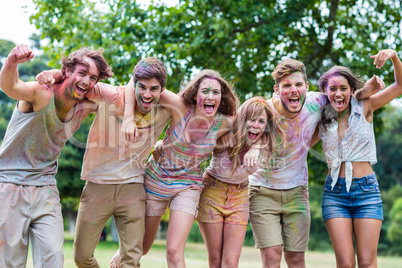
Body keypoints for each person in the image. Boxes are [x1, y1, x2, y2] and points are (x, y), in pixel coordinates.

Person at [36, 57, 172, 268]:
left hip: (133, 188)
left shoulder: (165, 109)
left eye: (154, 89)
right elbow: (77, 82)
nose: (147, 94)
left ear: (162, 90)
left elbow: (195, 104)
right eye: (142, 87)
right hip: (97, 186)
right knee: (82, 257)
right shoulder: (112, 96)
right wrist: (52, 74)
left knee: (131, 260)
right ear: (133, 85)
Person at [247, 59, 383, 268]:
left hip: (296, 191)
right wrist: (254, 147)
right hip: (263, 189)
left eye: (298, 84)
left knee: (296, 259)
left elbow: (345, 99)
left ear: (307, 87)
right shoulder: (264, 110)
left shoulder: (318, 103)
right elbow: (244, 134)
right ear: (276, 90)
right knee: (272, 257)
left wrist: (365, 90)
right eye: (287, 86)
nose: (294, 90)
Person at [110, 69, 239, 268]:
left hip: (188, 186)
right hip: (156, 182)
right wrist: (128, 117)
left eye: (216, 92)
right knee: (143, 247)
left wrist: (248, 144)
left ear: (221, 98)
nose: (210, 96)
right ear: (196, 95)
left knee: (174, 251)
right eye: (205, 91)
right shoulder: (179, 106)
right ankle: (121, 255)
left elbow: (257, 114)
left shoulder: (224, 123)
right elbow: (136, 79)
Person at [0, 44, 113, 267]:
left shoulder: (85, 105)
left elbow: (120, 95)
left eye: (93, 78)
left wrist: (60, 73)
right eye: (82, 73)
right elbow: (10, 86)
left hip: (45, 188)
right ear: (67, 71)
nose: (87, 82)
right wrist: (11, 61)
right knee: (10, 262)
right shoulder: (41, 93)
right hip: (9, 185)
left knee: (53, 258)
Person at [318, 49, 402, 268]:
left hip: (366, 192)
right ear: (325, 92)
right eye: (333, 88)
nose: (338, 93)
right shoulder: (319, 116)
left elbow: (400, 86)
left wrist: (393, 56)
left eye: (343, 89)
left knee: (366, 262)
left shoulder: (366, 106)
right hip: (334, 194)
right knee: (345, 264)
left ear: (352, 90)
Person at [196, 96, 285, 268]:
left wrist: (256, 146)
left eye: (261, 121)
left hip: (239, 196)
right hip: (212, 191)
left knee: (230, 263)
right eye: (251, 120)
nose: (256, 125)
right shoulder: (226, 135)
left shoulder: (264, 141)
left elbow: (273, 121)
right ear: (242, 119)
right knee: (215, 261)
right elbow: (201, 134)